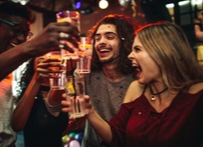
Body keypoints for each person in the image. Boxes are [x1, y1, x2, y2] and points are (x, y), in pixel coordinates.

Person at [62, 21, 203, 147]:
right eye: (97, 38)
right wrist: (90, 113)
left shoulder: (198, 97)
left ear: (162, 52)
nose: (131, 55)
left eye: (137, 49)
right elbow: (117, 136)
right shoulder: (137, 88)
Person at [0, 1, 79, 146]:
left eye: (25, 33)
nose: (20, 39)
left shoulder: (15, 64)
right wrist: (29, 47)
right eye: (17, 30)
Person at [65, 14, 136, 147]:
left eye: (109, 37)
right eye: (97, 39)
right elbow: (69, 108)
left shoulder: (137, 77)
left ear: (125, 41)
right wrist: (68, 70)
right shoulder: (85, 73)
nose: (101, 42)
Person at [11, 56, 68, 147]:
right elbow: (16, 125)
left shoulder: (62, 91)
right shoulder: (31, 93)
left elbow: (57, 129)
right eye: (42, 60)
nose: (47, 63)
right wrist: (36, 80)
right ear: (33, 66)